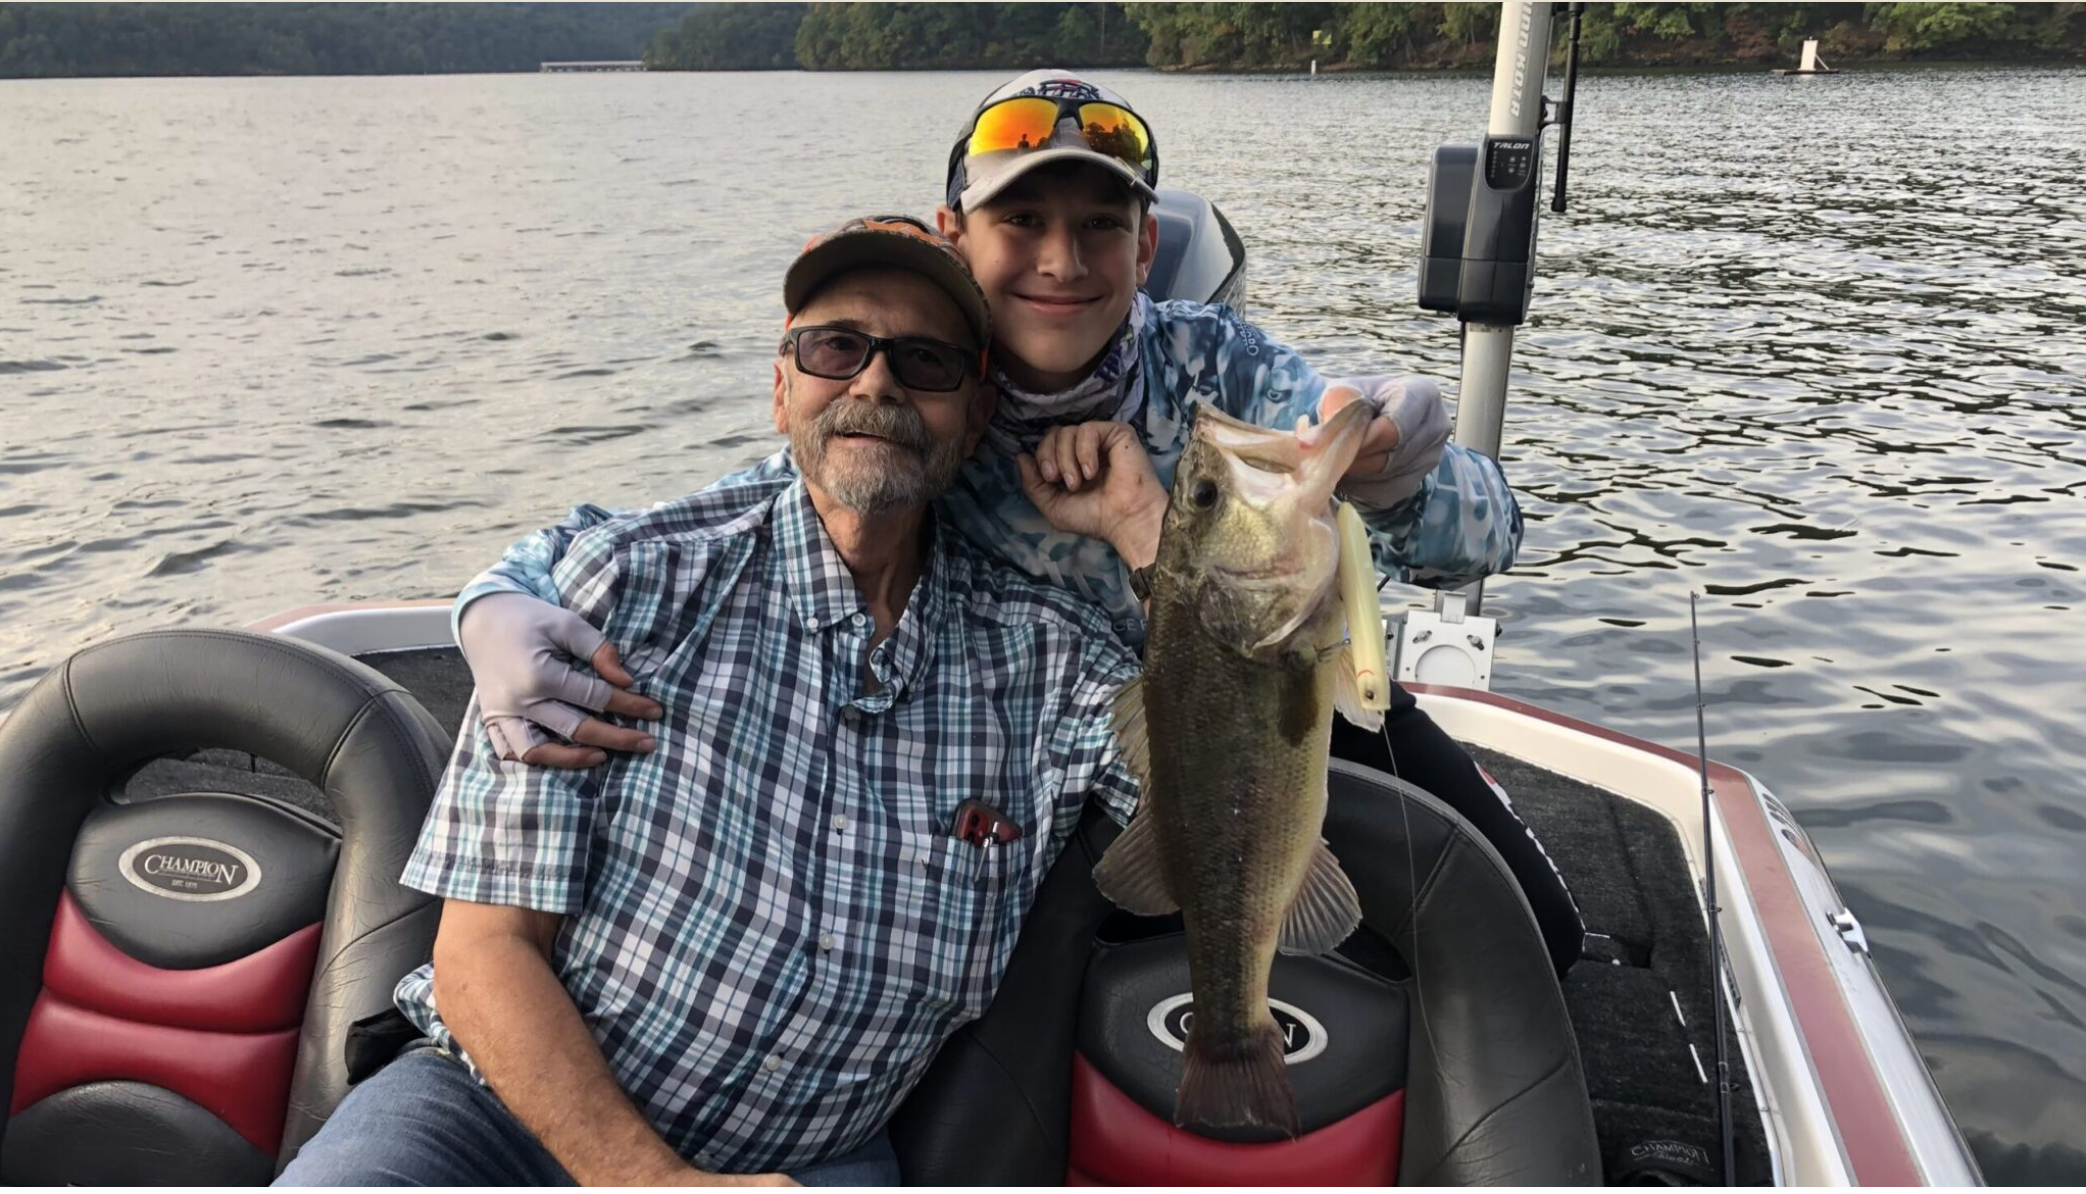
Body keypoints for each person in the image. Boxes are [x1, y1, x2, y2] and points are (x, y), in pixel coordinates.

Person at [457, 71, 1583, 977]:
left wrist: (1393, 475)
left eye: (1102, 225)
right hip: (1019, 764)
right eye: (1022, 219)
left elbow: (1486, 537)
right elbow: (750, 500)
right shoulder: (917, 392)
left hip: (1266, 708)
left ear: (1147, 248)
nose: (1062, 258)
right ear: (956, 232)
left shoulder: (1218, 369)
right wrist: (495, 603)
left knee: (1534, 932)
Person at [276, 218, 1153, 1186]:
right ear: (782, 389)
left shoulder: (1048, 657)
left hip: (816, 1158)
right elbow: (485, 954)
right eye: (835, 348)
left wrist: (1147, 533)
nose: (874, 384)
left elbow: (1223, 817)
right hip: (488, 1112)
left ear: (978, 411)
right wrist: (652, 1182)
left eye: (925, 361)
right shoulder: (632, 586)